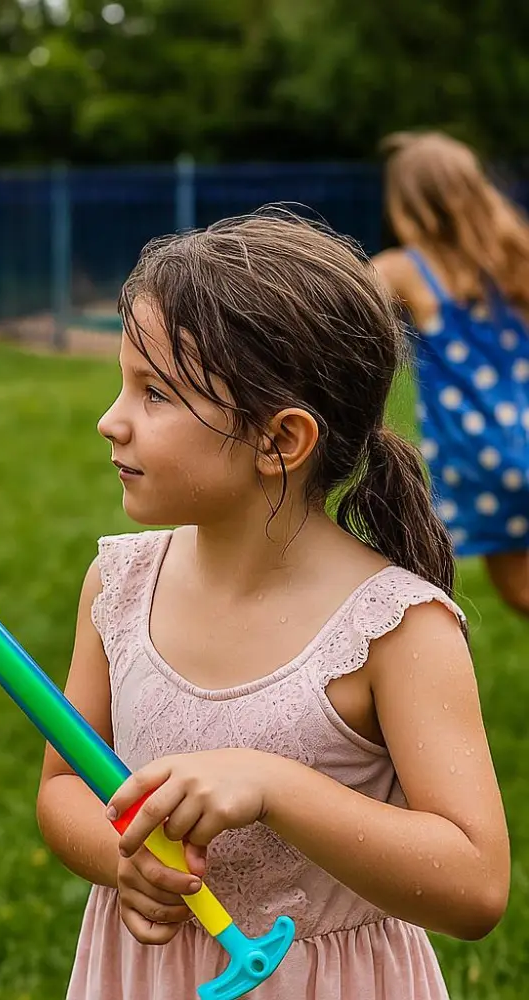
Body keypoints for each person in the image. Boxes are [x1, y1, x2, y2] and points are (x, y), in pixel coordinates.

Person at [35, 212, 510, 999]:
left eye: (154, 393)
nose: (110, 420)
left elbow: (475, 886)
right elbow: (64, 789)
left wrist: (276, 786)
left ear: (280, 440)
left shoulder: (393, 630)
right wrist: (126, 857)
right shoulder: (117, 588)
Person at [373, 130, 529, 617]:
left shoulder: (407, 270)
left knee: (520, 591)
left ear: (409, 205)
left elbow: (342, 301)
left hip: (481, 457)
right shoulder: (514, 259)